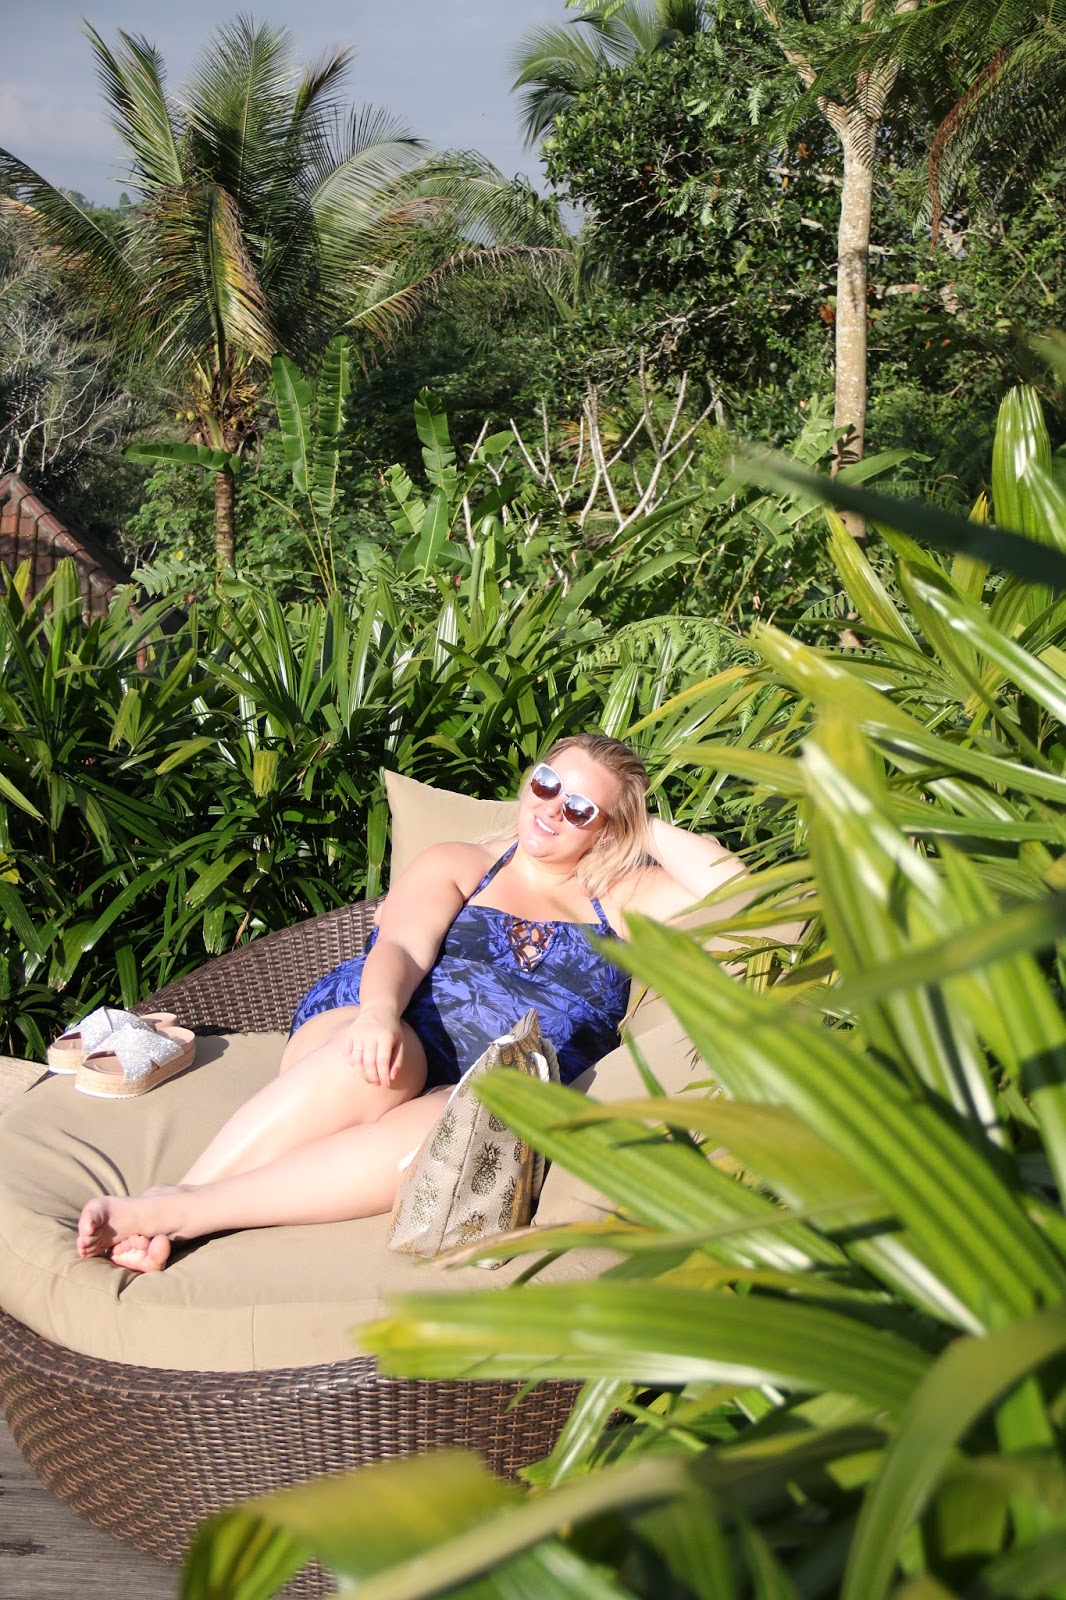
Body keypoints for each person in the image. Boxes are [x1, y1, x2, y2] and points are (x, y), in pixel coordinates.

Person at [77, 733, 764, 1272]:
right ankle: (173, 1200)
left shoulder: (624, 896)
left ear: (607, 829)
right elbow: (402, 946)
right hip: (394, 1016)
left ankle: (186, 1214)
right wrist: (378, 1013)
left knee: (453, 1131)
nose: (551, 810)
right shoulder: (465, 862)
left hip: (494, 1078)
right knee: (376, 1063)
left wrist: (644, 828)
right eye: (546, 784)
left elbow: (742, 897)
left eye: (580, 808)